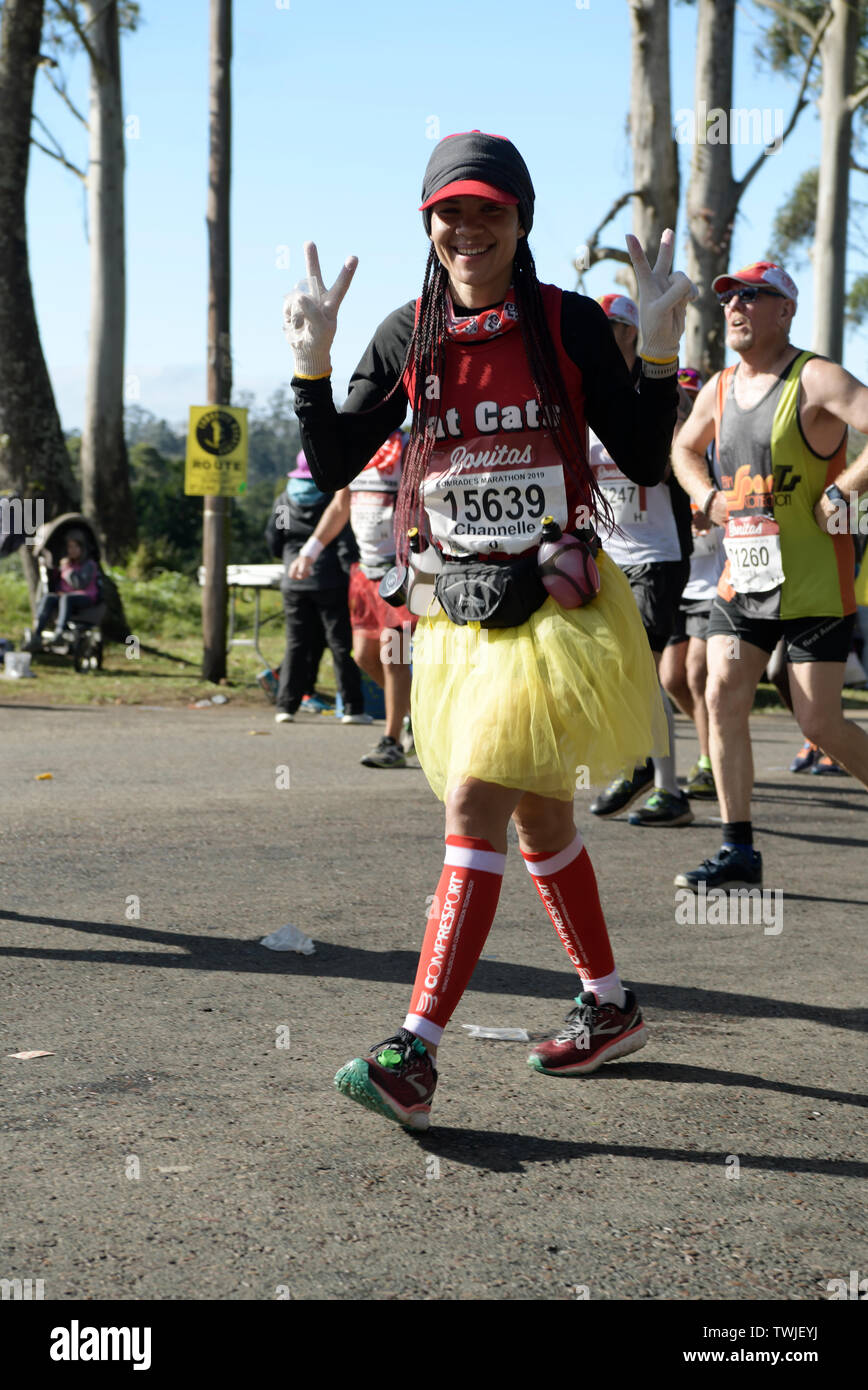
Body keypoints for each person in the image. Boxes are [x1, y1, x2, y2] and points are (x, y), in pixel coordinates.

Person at [285, 130, 693, 1129]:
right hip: (461, 617)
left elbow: (641, 455)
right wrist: (311, 364)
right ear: (428, 224)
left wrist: (657, 349)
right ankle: (609, 1003)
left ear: (521, 223)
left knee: (472, 803)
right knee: (540, 821)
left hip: (555, 611)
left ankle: (414, 1049)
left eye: (489, 212)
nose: (469, 229)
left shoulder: (563, 322)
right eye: (450, 212)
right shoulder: (406, 334)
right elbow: (340, 460)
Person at [671, 260, 868, 892]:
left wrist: (844, 487)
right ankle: (738, 850)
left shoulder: (815, 377)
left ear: (785, 309)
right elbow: (682, 447)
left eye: (752, 296)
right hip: (744, 580)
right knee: (722, 692)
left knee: (820, 726)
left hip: (814, 581)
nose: (735, 306)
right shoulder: (721, 388)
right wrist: (706, 497)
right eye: (729, 297)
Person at [587, 295, 695, 826]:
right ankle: (643, 771)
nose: (603, 336)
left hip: (658, 554)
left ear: (632, 334)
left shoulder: (655, 393)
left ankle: (665, 786)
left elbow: (677, 457)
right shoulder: (588, 395)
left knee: (644, 672)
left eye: (612, 327)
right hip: (610, 556)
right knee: (621, 671)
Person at [289, 430, 417, 767]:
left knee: (395, 657)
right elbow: (340, 505)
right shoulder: (354, 450)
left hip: (400, 572)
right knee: (362, 655)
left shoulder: (406, 447)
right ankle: (416, 714)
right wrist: (310, 552)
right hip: (366, 573)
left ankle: (391, 743)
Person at [265, 451, 370, 725]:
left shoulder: (284, 502)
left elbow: (275, 541)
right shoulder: (332, 497)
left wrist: (291, 557)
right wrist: (353, 577)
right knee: (340, 645)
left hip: (294, 579)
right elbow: (345, 542)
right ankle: (352, 708)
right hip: (330, 580)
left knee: (296, 645)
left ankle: (286, 706)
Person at [658, 373, 725, 800]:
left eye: (689, 399)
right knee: (671, 679)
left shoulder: (714, 449)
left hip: (715, 581)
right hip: (680, 582)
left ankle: (707, 759)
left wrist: (711, 510)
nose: (684, 409)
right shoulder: (659, 453)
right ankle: (713, 740)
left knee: (698, 674)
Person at [23, 531, 98, 650]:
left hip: (85, 596)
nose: (72, 550)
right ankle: (37, 634)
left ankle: (59, 632)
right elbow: (58, 583)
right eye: (69, 547)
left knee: (66, 598)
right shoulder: (66, 563)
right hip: (65, 595)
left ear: (81, 548)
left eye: (75, 547)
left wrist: (67, 570)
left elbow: (79, 584)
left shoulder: (89, 565)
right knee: (49, 597)